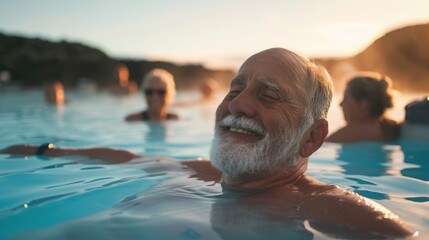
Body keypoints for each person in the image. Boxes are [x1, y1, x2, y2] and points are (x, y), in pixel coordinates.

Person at [1, 48, 414, 237]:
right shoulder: (200, 172)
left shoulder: (326, 207)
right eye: (234, 90)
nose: (239, 105)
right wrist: (43, 151)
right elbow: (124, 157)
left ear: (312, 137)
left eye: (268, 96)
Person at [326, 72, 401, 143]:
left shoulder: (351, 133)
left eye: (345, 99)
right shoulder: (394, 127)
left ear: (363, 104)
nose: (340, 104)